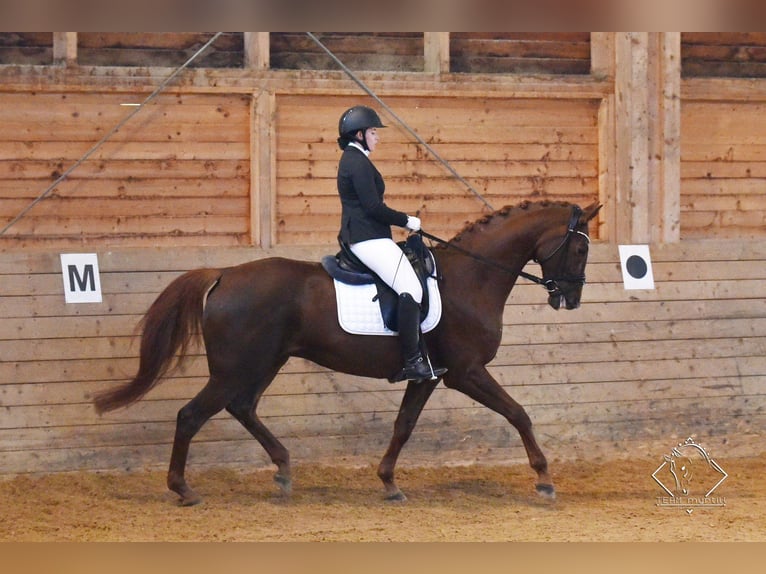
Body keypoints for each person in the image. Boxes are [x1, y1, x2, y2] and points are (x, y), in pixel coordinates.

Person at [335, 105, 447, 383]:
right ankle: (412, 362)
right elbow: (373, 207)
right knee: (410, 287)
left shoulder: (356, 159)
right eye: (373, 132)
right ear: (359, 134)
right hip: (366, 237)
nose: (377, 137)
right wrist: (407, 220)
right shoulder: (356, 162)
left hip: (370, 235)